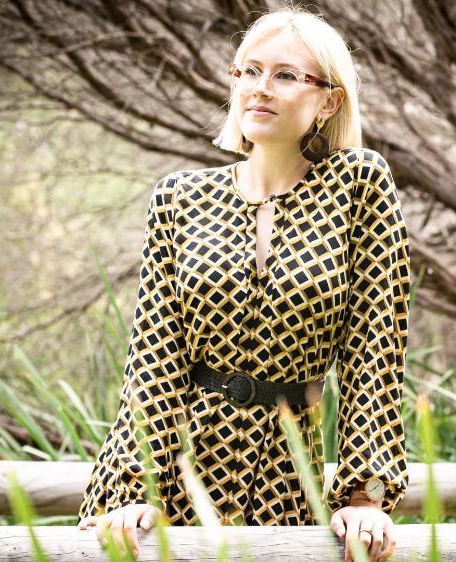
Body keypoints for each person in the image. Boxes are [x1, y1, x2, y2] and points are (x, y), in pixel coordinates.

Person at [76, 8, 410, 562]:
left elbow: (375, 350)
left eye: (284, 75)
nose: (260, 88)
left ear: (329, 101)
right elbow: (153, 360)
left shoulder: (361, 185)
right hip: (173, 478)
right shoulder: (179, 197)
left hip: (285, 476)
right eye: (248, 71)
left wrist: (365, 497)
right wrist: (134, 491)